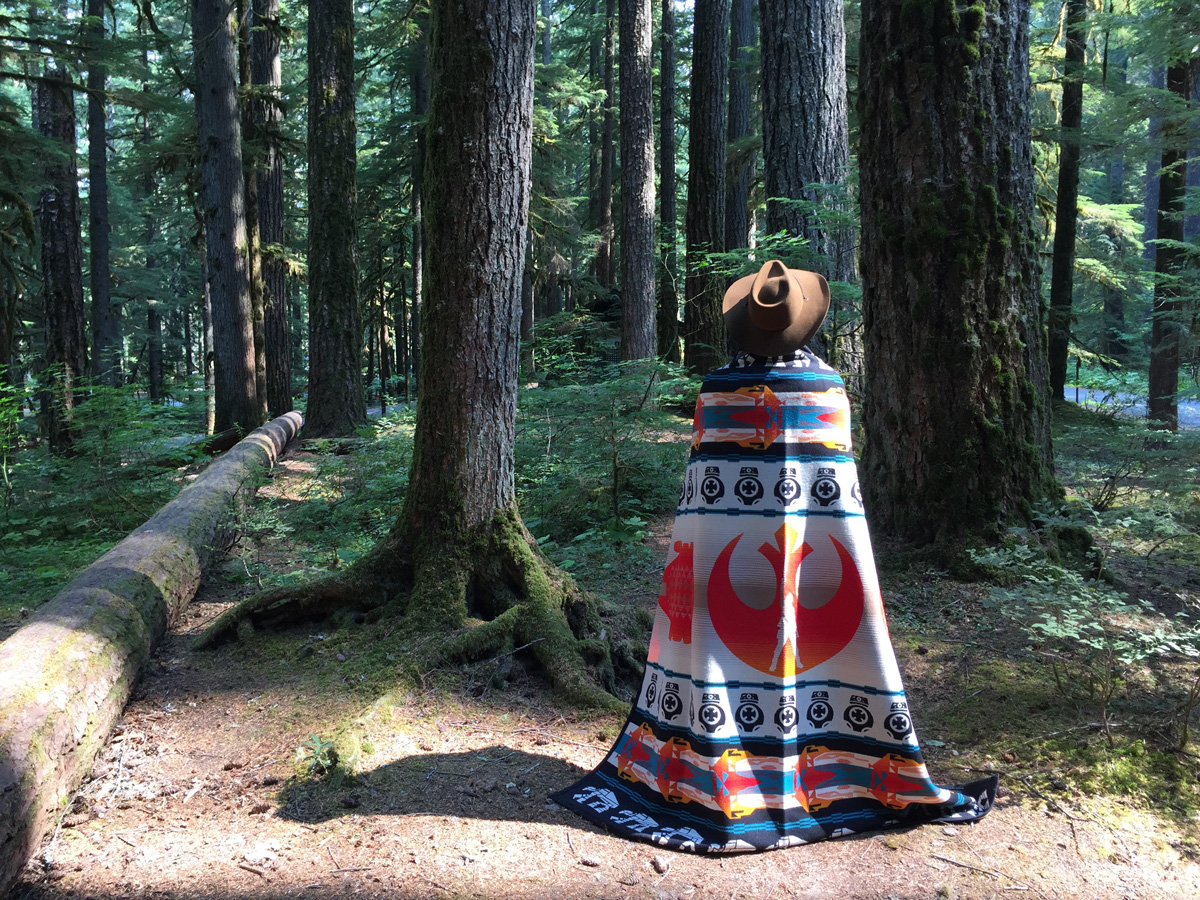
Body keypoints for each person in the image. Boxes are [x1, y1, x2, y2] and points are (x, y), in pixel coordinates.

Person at [551, 260, 998, 853]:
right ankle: (835, 759)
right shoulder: (827, 390)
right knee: (811, 645)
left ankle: (718, 757)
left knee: (715, 647)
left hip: (722, 566)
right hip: (818, 561)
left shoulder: (717, 391)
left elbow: (700, 498)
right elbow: (835, 494)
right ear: (805, 324)